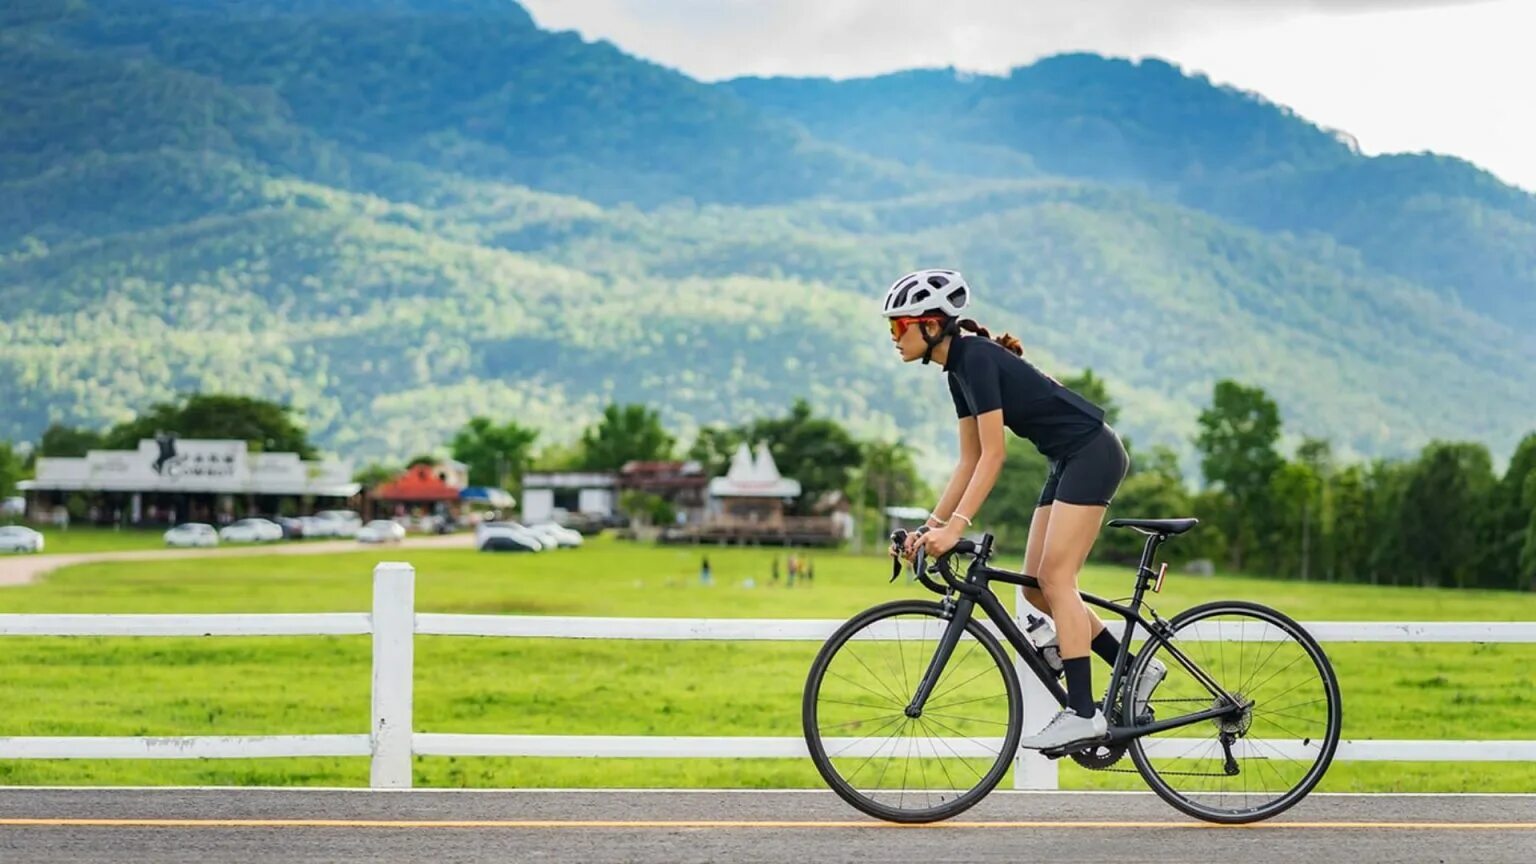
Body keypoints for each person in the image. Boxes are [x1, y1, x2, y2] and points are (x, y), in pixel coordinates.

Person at [883, 268, 1164, 751]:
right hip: (1067, 458)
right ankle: (1135, 667)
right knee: (1037, 589)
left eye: (897, 327)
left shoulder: (976, 359)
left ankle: (1083, 714)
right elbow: (968, 459)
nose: (893, 338)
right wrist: (928, 528)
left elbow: (994, 456)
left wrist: (956, 528)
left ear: (930, 325)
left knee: (1058, 580)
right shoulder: (958, 372)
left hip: (1092, 452)